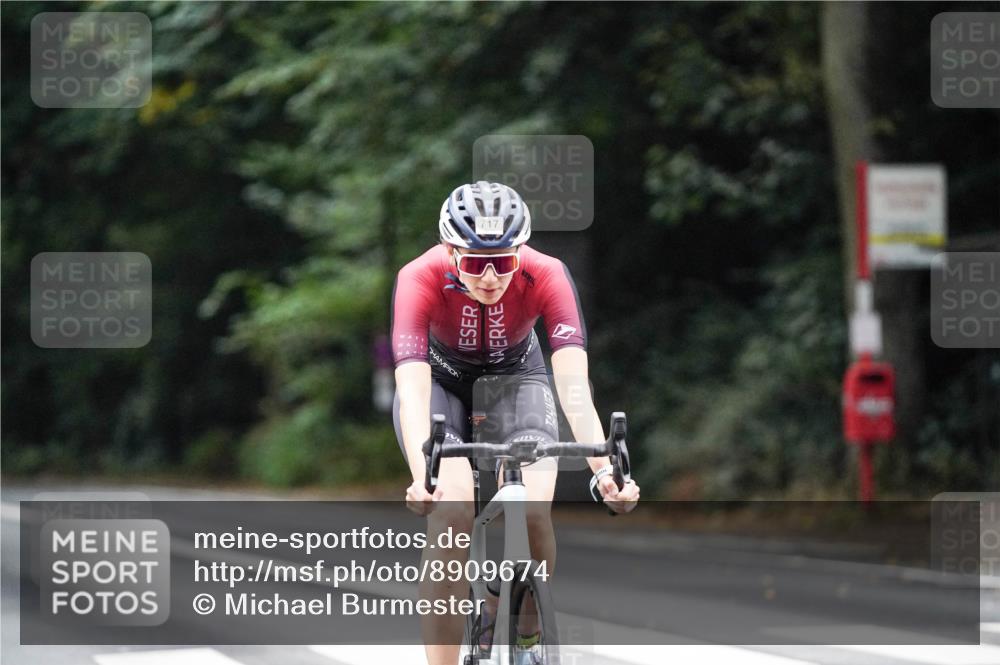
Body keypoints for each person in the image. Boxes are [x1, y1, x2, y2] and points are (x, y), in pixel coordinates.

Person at [392, 181, 640, 665]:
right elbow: (414, 388)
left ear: (521, 251)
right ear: (450, 252)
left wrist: (605, 471)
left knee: (532, 511)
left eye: (504, 262)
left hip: (516, 380)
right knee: (451, 516)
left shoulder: (547, 273)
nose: (490, 278)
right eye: (474, 264)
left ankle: (521, 635)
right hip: (440, 385)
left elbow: (573, 386)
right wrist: (424, 477)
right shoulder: (419, 276)